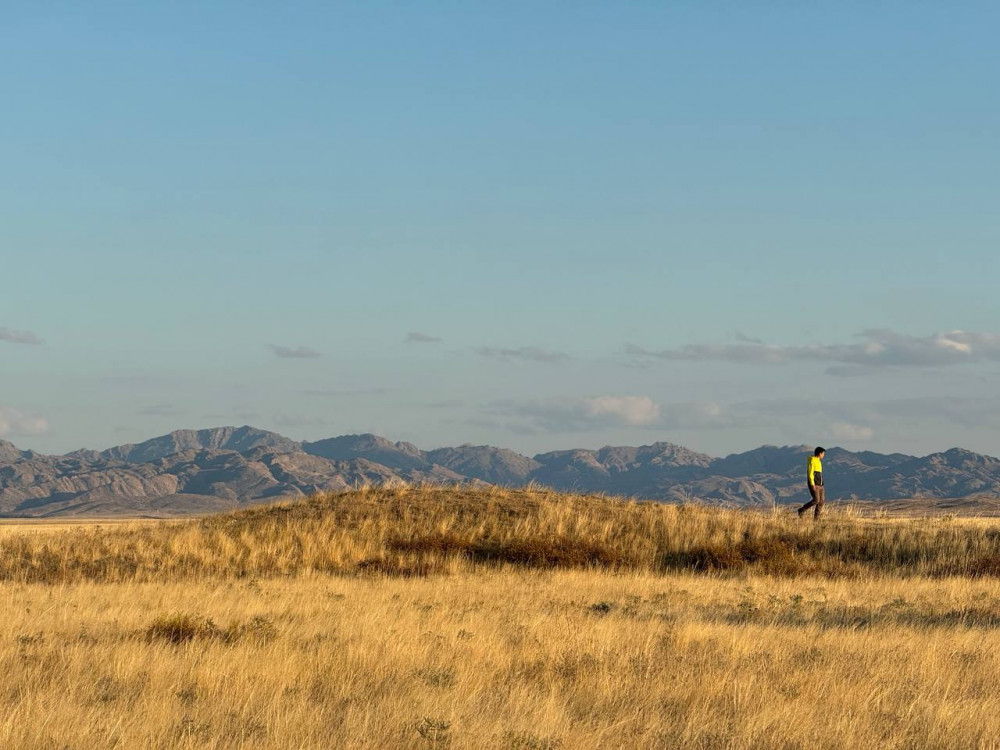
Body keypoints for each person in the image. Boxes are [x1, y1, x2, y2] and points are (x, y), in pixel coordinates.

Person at [798, 446, 826, 519]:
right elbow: (810, 473)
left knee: (821, 501)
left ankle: (816, 519)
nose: (823, 455)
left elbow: (819, 474)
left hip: (820, 485)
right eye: (823, 454)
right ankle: (801, 510)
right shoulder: (812, 460)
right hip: (814, 484)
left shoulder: (819, 461)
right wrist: (812, 484)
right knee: (816, 500)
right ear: (819, 453)